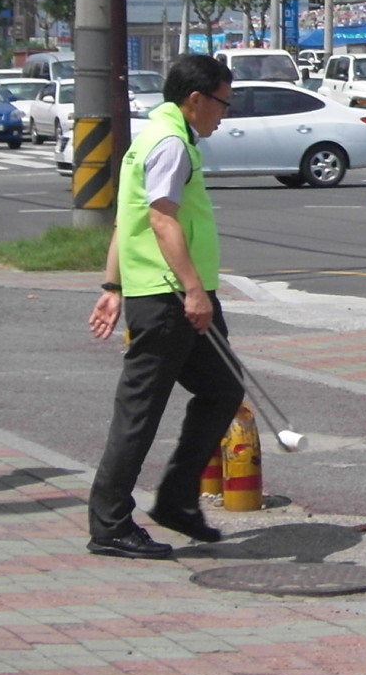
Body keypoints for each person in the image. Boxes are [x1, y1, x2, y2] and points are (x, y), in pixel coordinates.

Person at [83, 53, 245, 560]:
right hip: (170, 297)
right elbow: (159, 220)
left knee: (222, 388)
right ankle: (110, 522)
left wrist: (112, 285)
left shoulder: (155, 135)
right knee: (139, 410)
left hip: (160, 291)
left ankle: (176, 500)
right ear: (195, 99)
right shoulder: (172, 142)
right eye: (222, 102)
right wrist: (195, 291)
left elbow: (123, 219)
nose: (224, 113)